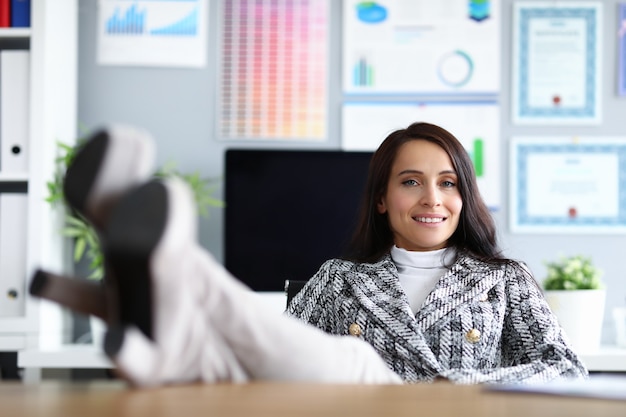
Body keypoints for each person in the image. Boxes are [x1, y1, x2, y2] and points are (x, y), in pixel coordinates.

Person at [30, 122, 587, 387]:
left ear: (466, 196)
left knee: (353, 364)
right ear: (382, 199)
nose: (432, 199)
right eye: (412, 182)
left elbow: (567, 371)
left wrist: (459, 384)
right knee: (255, 349)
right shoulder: (340, 278)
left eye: (448, 183)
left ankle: (144, 247)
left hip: (418, 400)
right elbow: (269, 356)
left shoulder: (503, 280)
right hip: (351, 406)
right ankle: (166, 331)